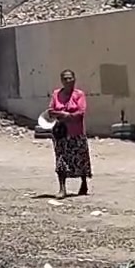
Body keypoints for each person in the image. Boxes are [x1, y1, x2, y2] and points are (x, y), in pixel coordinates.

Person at [48, 68, 90, 198]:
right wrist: (62, 114)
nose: (68, 81)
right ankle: (62, 188)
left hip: (76, 133)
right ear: (61, 80)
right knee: (61, 160)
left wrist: (65, 115)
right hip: (61, 133)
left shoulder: (79, 95)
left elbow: (80, 112)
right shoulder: (56, 94)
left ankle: (83, 183)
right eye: (65, 78)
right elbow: (51, 111)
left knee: (81, 159)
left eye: (70, 78)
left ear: (74, 79)